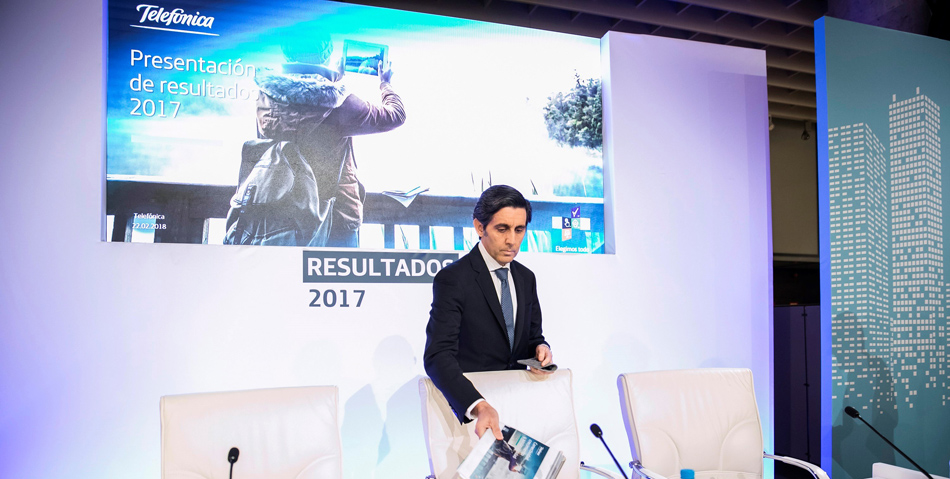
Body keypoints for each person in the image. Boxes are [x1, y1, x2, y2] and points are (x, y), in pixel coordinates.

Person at [224, 33, 406, 247]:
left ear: (285, 52)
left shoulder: (266, 95)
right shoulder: (340, 103)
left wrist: (331, 78)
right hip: (335, 217)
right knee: (332, 279)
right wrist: (385, 83)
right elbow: (395, 116)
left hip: (278, 212)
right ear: (328, 54)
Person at [423, 185, 553, 441]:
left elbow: (531, 337)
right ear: (480, 227)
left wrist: (541, 349)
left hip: (521, 410)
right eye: (502, 229)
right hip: (473, 416)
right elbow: (437, 356)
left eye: (520, 230)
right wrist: (478, 405)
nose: (512, 240)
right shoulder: (453, 279)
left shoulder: (526, 278)